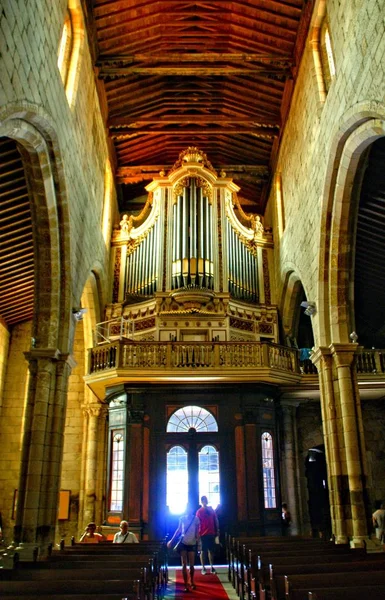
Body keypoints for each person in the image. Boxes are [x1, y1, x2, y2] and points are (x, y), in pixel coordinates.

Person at [167, 504, 200, 592]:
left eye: (190, 509)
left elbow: (197, 532)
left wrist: (199, 544)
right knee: (184, 564)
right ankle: (186, 584)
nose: (189, 511)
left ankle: (191, 581)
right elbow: (178, 530)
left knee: (192, 565)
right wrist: (172, 540)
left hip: (192, 543)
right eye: (188, 509)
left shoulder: (196, 519)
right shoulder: (182, 518)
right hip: (183, 543)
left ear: (192, 510)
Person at [196, 495, 219, 575]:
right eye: (204, 500)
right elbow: (197, 523)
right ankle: (203, 567)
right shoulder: (199, 511)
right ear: (202, 501)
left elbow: (215, 520)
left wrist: (217, 530)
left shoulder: (211, 510)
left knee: (211, 551)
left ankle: (212, 566)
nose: (205, 501)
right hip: (202, 533)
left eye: (206, 500)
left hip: (211, 532)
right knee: (203, 551)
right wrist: (197, 534)